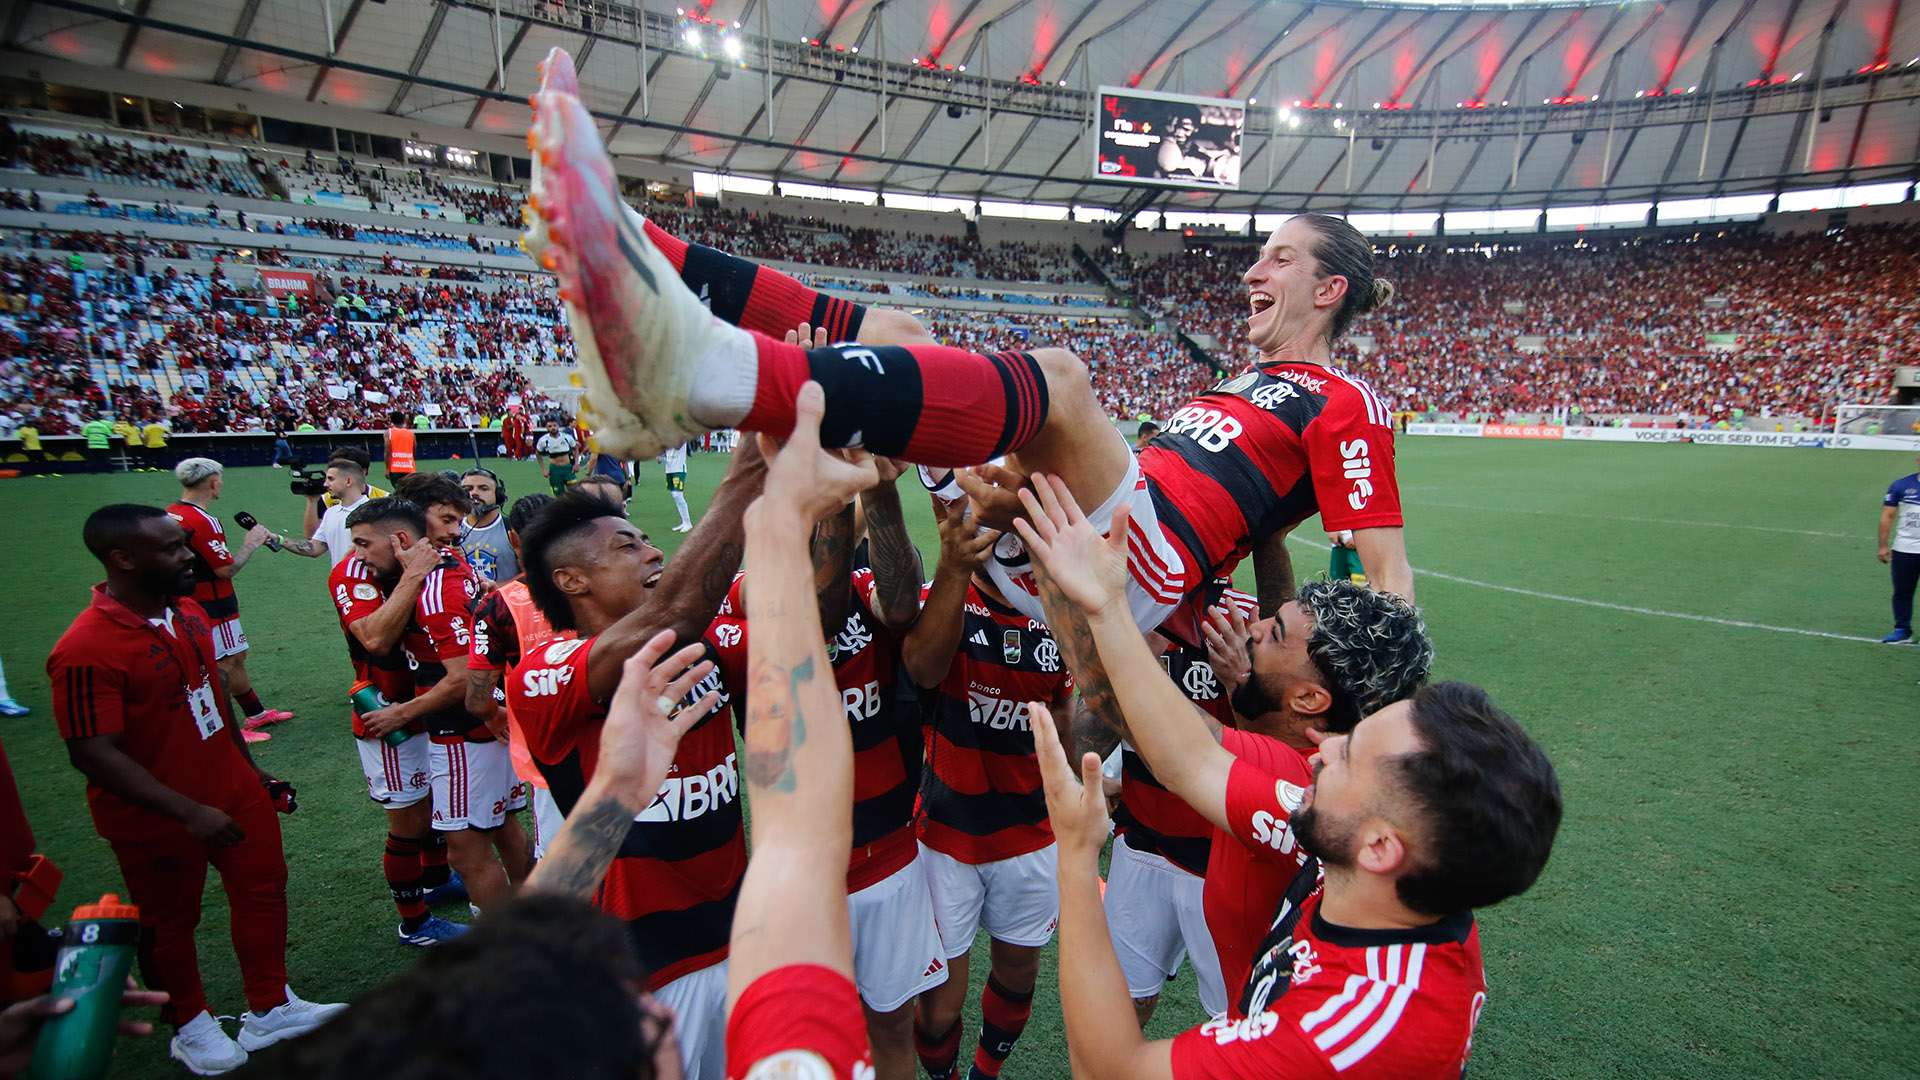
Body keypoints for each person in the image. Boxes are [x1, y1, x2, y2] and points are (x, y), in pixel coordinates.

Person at [526, 83, 1411, 648]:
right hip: (1034, 536)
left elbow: (1387, 578)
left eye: (1281, 259)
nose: (1253, 271)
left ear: (1331, 289)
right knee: (904, 331)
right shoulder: (1242, 387)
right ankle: (639, 249)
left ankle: (713, 377)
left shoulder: (1347, 401)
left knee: (1059, 380)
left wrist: (1375, 729)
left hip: (1124, 568)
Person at [1012, 481, 1563, 1078]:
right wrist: (1107, 607)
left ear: (1380, 847)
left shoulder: (1339, 1037)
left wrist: (1074, 854)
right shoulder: (1379, 855)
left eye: (1346, 756)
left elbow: (1111, 1069)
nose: (1319, 755)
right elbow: (1190, 758)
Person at [1021, 475, 1431, 1003]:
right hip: (1144, 845)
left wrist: (1089, 603)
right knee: (1160, 1004)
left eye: (1272, 631)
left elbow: (1146, 723)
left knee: (1225, 1016)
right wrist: (1270, 538)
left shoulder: (1292, 781)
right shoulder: (1339, 761)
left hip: (1216, 868)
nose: (1257, 628)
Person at [47, 505, 346, 1074]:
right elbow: (91, 752)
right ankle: (189, 1024)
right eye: (172, 548)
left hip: (229, 785)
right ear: (123, 559)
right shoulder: (84, 647)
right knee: (168, 920)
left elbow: (211, 703)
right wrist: (188, 810)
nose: (190, 555)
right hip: (157, 812)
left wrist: (250, 773)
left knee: (263, 887)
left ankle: (270, 1005)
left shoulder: (187, 613)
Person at [506, 439, 766, 1080]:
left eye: (648, 537)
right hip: (637, 965)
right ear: (571, 580)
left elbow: (809, 614)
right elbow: (677, 608)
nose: (652, 550)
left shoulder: (698, 646)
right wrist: (753, 460)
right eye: (626, 545)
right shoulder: (547, 673)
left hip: (736, 933)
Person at [704, 461, 931, 1080]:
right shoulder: (741, 598)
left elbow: (905, 603)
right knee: (808, 1040)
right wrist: (835, 492)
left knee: (891, 1023)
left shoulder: (865, 585)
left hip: (889, 852)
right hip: (802, 872)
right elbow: (817, 612)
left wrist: (882, 487)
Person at [902, 494, 1074, 1080]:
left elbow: (1071, 733)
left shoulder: (1057, 615)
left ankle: (983, 1074)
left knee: (1018, 974)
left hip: (1029, 838)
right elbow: (923, 668)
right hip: (946, 838)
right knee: (937, 1007)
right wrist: (953, 569)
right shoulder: (950, 601)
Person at [349, 484, 530, 918]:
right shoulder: (455, 569)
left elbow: (463, 676)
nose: (456, 531)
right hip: (484, 722)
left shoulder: (434, 584)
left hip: (461, 730)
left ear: (403, 537)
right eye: (448, 519)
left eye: (362, 543)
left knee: (466, 852)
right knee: (504, 826)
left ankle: (506, 949)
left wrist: (402, 713)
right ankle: (537, 923)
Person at [1097, 588, 1256, 1026]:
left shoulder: (1246, 618)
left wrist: (1242, 685)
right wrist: (1111, 665)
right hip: (1143, 844)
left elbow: (1277, 749)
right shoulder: (1129, 605)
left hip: (1226, 859)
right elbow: (1086, 735)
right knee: (1123, 1004)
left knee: (1237, 1022)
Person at [326, 502, 467, 948]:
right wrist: (413, 576)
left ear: (400, 540)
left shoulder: (443, 561)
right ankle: (414, 922)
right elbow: (375, 637)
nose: (358, 552)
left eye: (365, 543)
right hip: (386, 716)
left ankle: (437, 879)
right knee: (408, 821)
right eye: (358, 543)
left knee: (434, 808)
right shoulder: (351, 574)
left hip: (429, 706)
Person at [463, 494, 565, 859]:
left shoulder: (498, 604)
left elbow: (476, 697)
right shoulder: (603, 587)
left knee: (559, 864)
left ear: (513, 537)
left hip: (545, 750)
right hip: (616, 743)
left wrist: (493, 715)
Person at [168, 458, 293, 739]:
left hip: (191, 602)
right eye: (220, 480)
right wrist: (252, 543)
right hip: (212, 604)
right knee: (223, 664)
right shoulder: (202, 520)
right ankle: (230, 728)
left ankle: (255, 714)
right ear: (213, 482)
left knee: (235, 657)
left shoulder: (172, 513)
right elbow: (225, 569)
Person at [279, 457, 376, 568]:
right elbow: (314, 548)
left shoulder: (373, 513)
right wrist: (279, 540)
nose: (325, 484)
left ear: (348, 481)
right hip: (340, 583)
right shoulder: (331, 512)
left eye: (331, 479)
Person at [1878, 454, 1920, 643]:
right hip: (1905, 549)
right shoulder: (1901, 485)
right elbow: (1887, 516)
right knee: (1902, 591)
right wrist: (1883, 545)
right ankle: (1903, 629)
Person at [458, 468, 516, 586]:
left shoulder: (512, 529)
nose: (474, 493)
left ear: (498, 495)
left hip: (503, 602)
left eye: (483, 488)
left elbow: (531, 574)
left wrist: (496, 590)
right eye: (467, 489)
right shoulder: (450, 532)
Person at [535, 419, 578, 496]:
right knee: (559, 496)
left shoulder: (567, 437)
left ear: (558, 426)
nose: (553, 428)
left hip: (568, 468)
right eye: (550, 426)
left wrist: (576, 463)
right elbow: (538, 454)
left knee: (575, 493)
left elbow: (576, 449)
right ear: (547, 428)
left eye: (554, 425)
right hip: (555, 470)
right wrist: (543, 470)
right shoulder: (543, 440)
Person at [660, 441, 693, 532]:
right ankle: (684, 521)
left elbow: (678, 446)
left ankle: (688, 522)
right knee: (674, 496)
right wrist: (661, 456)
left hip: (679, 469)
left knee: (677, 495)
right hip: (669, 468)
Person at [384, 412, 416, 485]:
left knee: (399, 492)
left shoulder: (388, 433)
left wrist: (387, 469)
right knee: (408, 491)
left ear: (391, 421)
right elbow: (413, 451)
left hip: (395, 468)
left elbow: (387, 452)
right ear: (404, 420)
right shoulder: (411, 434)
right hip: (409, 468)